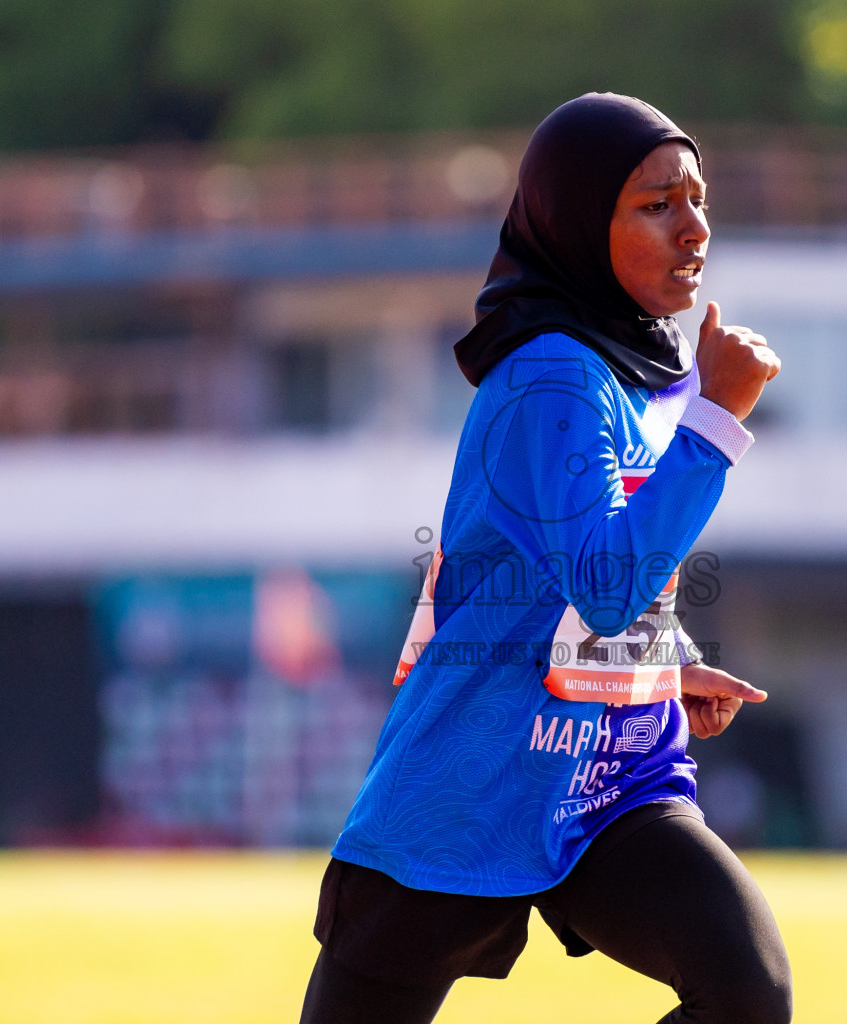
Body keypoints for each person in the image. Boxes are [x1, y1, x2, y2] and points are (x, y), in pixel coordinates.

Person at [298, 94, 791, 1024]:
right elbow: (603, 585)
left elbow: (591, 572)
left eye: (698, 199)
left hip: (608, 782)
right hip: (474, 784)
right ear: (575, 223)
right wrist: (719, 421)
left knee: (745, 993)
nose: (694, 229)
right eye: (656, 205)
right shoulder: (552, 373)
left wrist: (666, 663)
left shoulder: (643, 367)